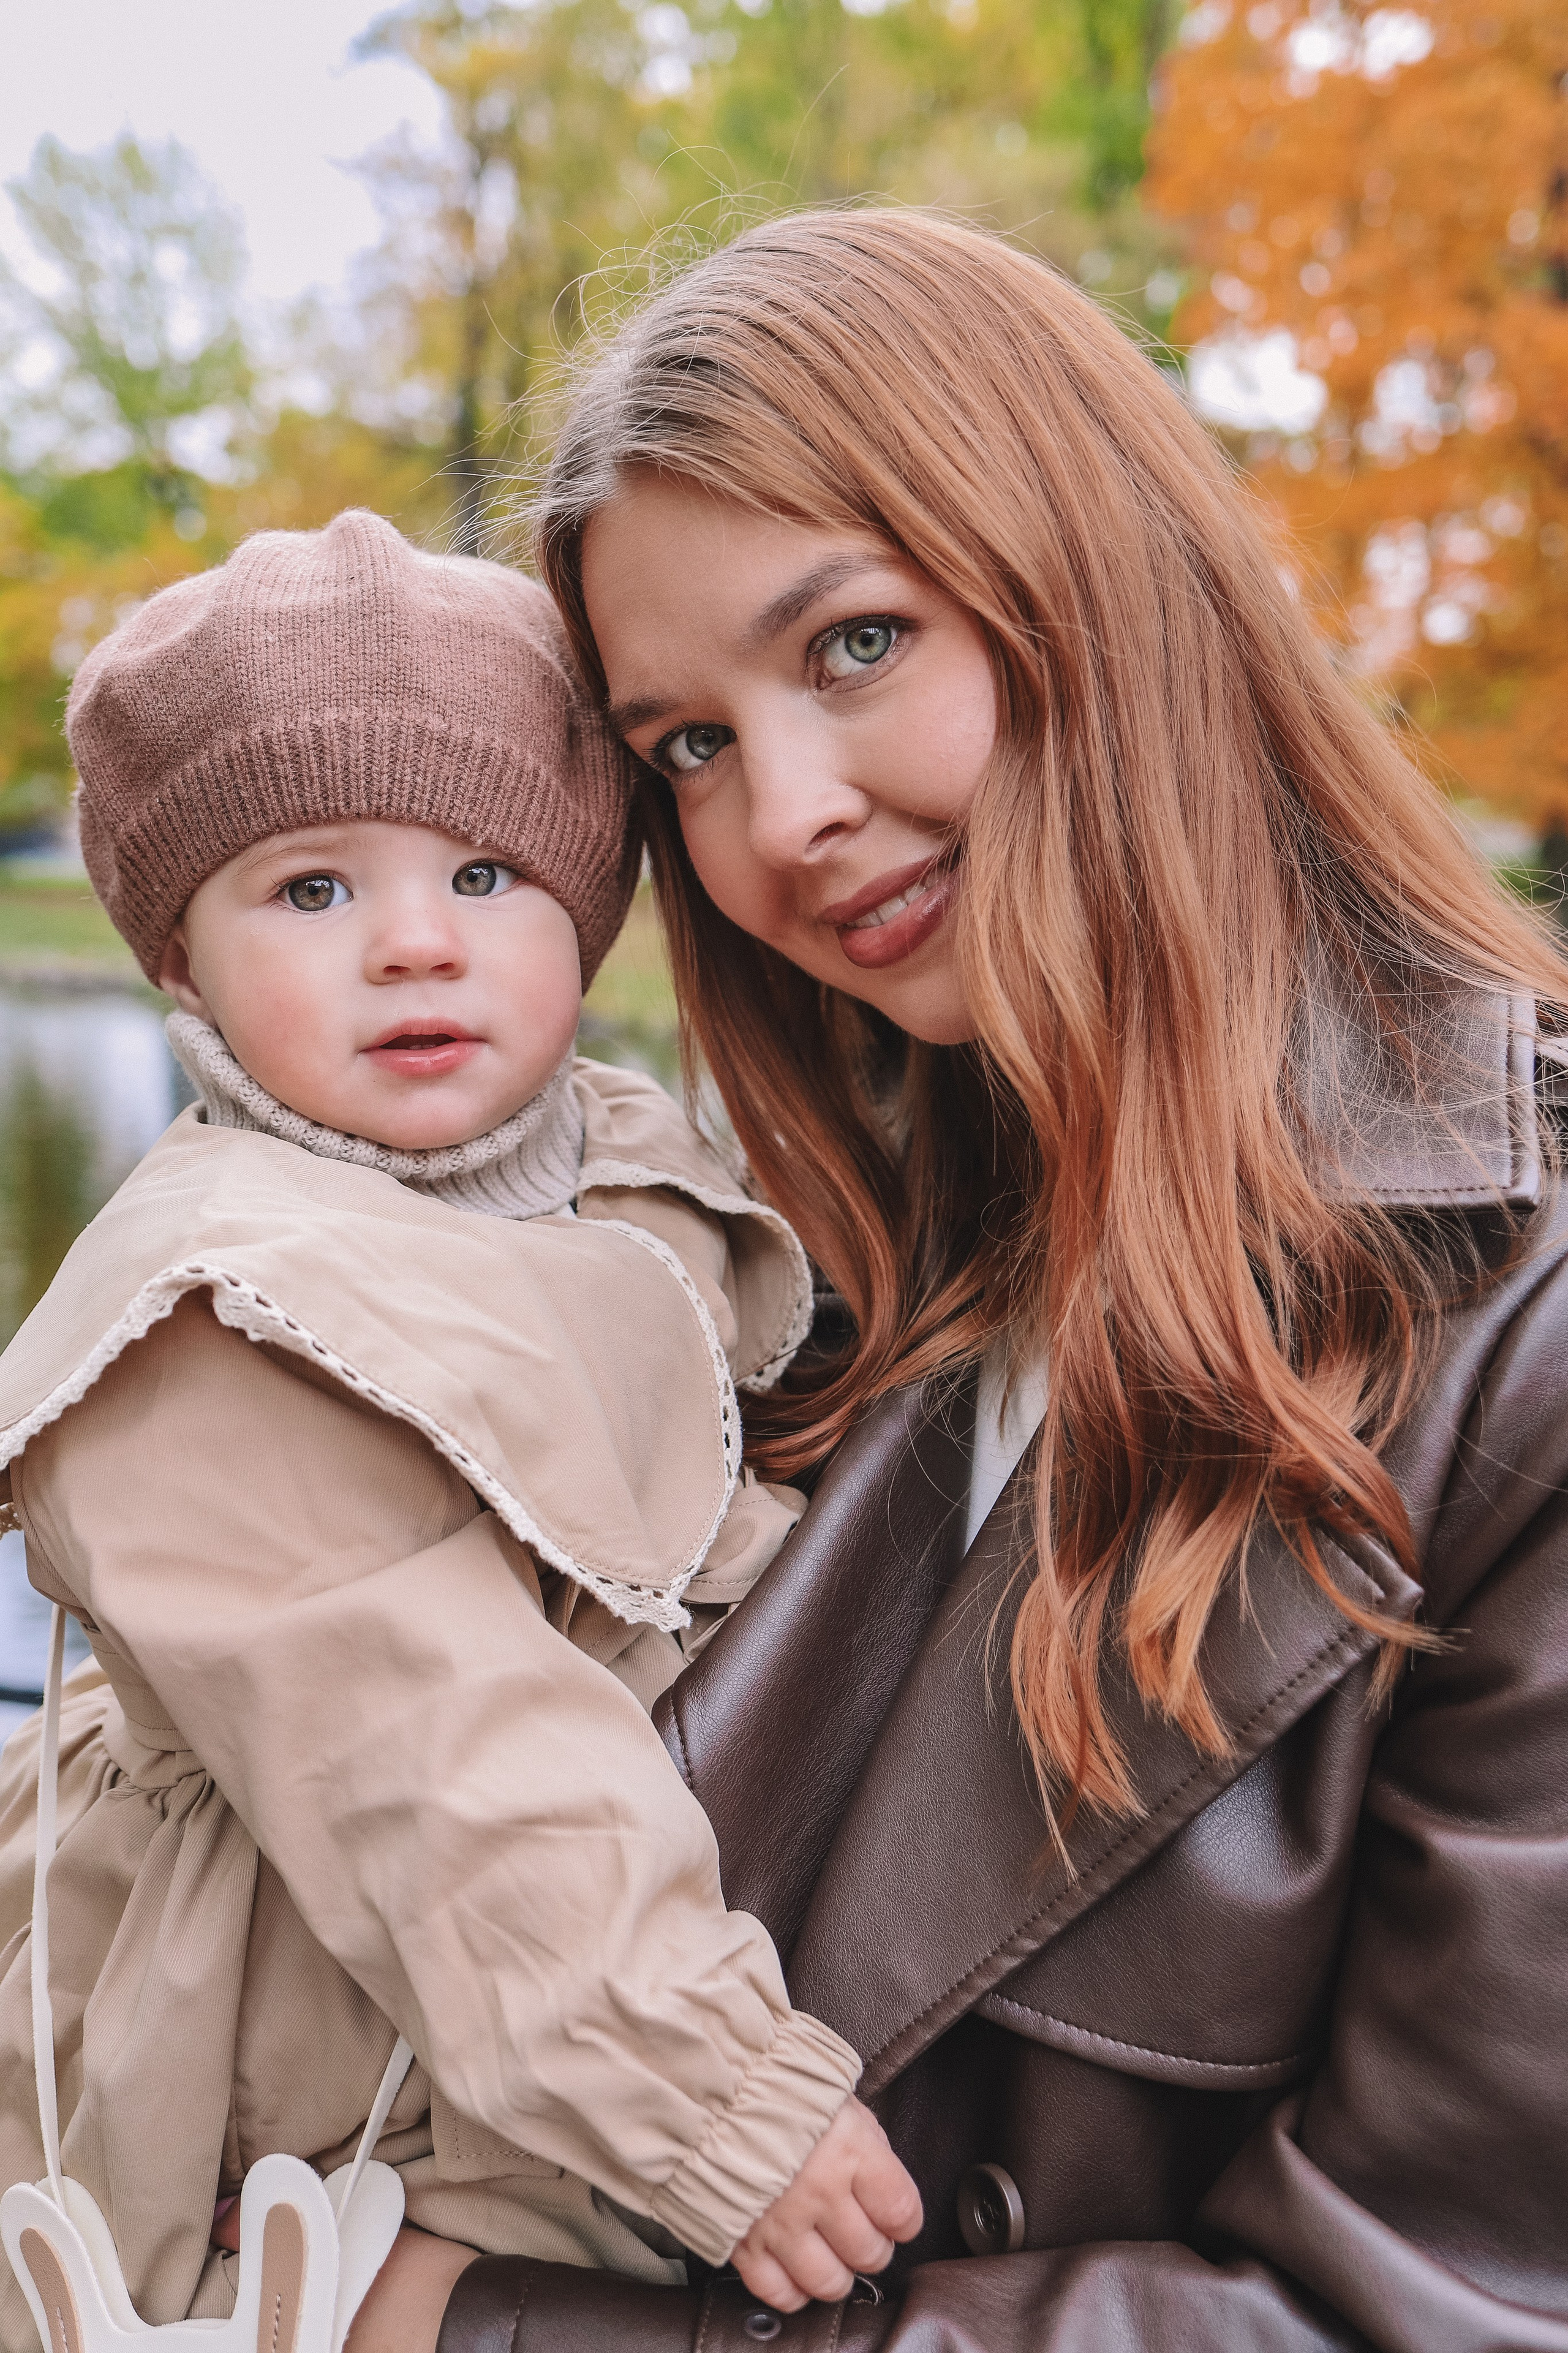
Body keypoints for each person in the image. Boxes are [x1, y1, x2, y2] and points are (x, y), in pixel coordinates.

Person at [424, 209, 1568, 2350]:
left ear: (1104, 573)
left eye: (852, 644)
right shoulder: (806, 1273)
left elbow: (1427, 2311)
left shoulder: (1519, 1336)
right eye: (685, 743)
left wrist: (456, 2329)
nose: (785, 818)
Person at [0, 510, 921, 2353]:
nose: (417, 944)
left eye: (491, 872)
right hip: (335, 2059)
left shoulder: (618, 1162)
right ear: (179, 958)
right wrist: (718, 2094)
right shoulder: (219, 1321)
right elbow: (431, 1757)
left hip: (561, 1963)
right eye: (313, 892)